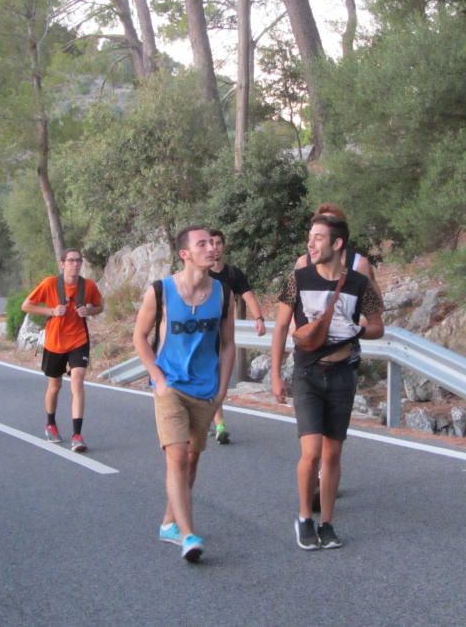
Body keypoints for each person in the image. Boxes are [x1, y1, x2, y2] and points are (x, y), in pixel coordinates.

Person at [270, 214, 384, 551]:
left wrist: (358, 330)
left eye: (319, 237)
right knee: (312, 452)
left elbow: (379, 326)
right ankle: (305, 518)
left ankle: (328, 523)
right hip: (307, 373)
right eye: (310, 236)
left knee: (333, 454)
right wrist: (276, 375)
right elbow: (280, 328)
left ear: (337, 244)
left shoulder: (359, 284)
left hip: (342, 375)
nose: (311, 243)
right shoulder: (297, 279)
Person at [132, 226, 236, 562]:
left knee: (192, 459)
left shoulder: (223, 294)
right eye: (202, 244)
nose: (211, 248)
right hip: (170, 386)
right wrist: (158, 379)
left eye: (212, 243)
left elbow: (228, 343)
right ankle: (189, 534)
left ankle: (168, 523)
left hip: (205, 388)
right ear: (185, 254)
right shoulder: (161, 291)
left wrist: (221, 390)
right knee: (176, 456)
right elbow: (139, 337)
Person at [22, 249, 104, 452]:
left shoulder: (88, 286)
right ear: (62, 264)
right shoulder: (50, 284)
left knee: (77, 381)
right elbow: (27, 305)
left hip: (78, 339)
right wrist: (51, 311)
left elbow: (100, 306)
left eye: (78, 261)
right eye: (71, 261)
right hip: (54, 341)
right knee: (55, 385)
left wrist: (89, 311)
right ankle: (50, 423)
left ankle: (77, 435)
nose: (75, 264)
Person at [208, 228, 266, 444]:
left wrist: (259, 318)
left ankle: (213, 419)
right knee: (212, 378)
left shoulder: (233, 274)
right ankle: (219, 423)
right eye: (210, 243)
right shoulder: (199, 273)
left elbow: (248, 295)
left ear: (223, 246)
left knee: (220, 380)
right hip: (203, 334)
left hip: (224, 334)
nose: (214, 248)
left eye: (218, 243)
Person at [294, 203, 383, 300]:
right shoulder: (303, 263)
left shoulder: (359, 264)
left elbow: (377, 308)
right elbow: (293, 308)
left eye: (331, 224)